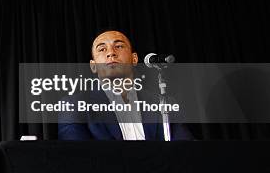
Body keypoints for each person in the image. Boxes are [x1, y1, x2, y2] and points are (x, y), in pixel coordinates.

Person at [58, 29, 193, 140]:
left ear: (134, 59)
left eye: (119, 46)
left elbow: (186, 152)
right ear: (93, 66)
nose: (111, 53)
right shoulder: (73, 106)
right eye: (102, 49)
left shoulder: (163, 104)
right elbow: (76, 158)